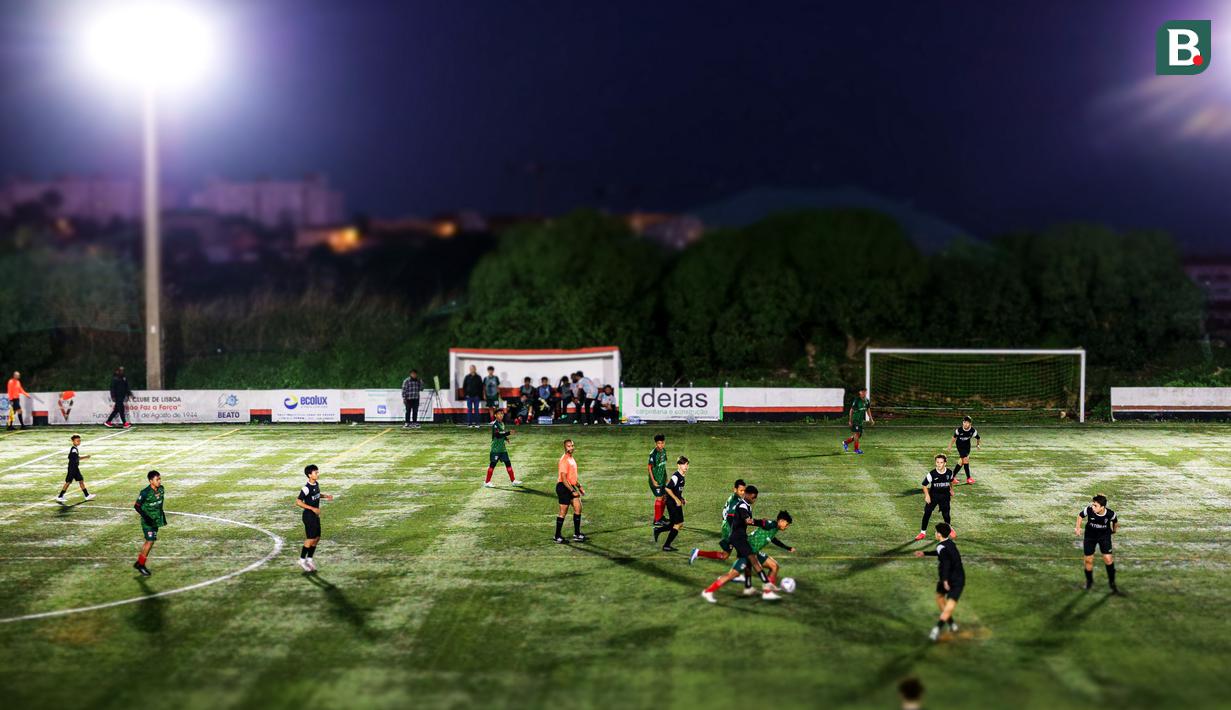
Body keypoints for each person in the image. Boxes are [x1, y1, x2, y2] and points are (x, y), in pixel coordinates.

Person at [701, 510, 794, 603]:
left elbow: (772, 539)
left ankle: (767, 592)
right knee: (732, 574)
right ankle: (708, 591)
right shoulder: (771, 524)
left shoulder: (774, 528)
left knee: (774, 566)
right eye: (787, 523)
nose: (787, 526)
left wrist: (787, 547)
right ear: (781, 521)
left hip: (754, 552)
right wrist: (751, 521)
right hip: (747, 551)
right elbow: (762, 522)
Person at [723, 485, 780, 598]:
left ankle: (748, 587)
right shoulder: (743, 506)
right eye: (753, 497)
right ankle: (767, 584)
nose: (755, 499)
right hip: (738, 538)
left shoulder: (746, 505)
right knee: (753, 559)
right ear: (747, 495)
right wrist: (763, 523)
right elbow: (748, 521)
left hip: (740, 537)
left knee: (748, 563)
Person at [914, 522, 965, 641]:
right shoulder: (949, 544)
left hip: (954, 579)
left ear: (940, 534)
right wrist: (925, 553)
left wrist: (945, 581)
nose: (935, 533)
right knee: (940, 598)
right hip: (957, 576)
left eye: (936, 532)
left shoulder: (941, 547)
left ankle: (937, 629)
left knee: (949, 605)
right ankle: (952, 624)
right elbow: (940, 553)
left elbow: (946, 564)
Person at [690, 479, 746, 563]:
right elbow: (730, 517)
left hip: (727, 527)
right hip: (729, 529)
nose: (742, 492)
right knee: (744, 551)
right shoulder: (735, 501)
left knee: (725, 555)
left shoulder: (734, 498)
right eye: (741, 490)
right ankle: (739, 573)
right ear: (735, 490)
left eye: (744, 490)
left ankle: (697, 552)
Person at [1075, 494, 1119, 593]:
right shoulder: (1089, 510)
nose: (1093, 507)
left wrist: (1114, 530)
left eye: (1095, 505)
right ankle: (1089, 582)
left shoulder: (1110, 514)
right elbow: (1080, 515)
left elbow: (1115, 521)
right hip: (1090, 536)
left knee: (1108, 559)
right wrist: (1078, 527)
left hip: (1104, 537)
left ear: (1102, 507)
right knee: (1088, 560)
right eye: (1093, 504)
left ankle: (1112, 584)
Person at [295, 464, 334, 572]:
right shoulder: (306, 488)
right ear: (309, 475)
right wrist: (312, 508)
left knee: (317, 538)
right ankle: (302, 560)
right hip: (308, 516)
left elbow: (316, 494)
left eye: (317, 472)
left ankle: (309, 558)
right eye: (315, 472)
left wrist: (325, 496)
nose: (317, 474)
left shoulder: (316, 484)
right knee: (311, 538)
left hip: (315, 516)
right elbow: (298, 502)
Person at [915, 454, 958, 541]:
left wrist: (951, 489)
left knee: (946, 515)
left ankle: (949, 529)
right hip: (933, 496)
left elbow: (951, 480)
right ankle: (922, 532)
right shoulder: (932, 474)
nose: (939, 464)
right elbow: (924, 485)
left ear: (945, 463)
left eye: (941, 462)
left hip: (945, 496)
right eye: (937, 462)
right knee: (927, 513)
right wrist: (927, 496)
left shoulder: (949, 472)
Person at [132, 470, 166, 577]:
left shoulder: (161, 489)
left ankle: (139, 562)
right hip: (147, 521)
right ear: (151, 481)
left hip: (156, 520)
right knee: (150, 541)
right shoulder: (145, 492)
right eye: (157, 479)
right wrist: (146, 517)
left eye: (160, 478)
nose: (159, 481)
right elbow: (137, 506)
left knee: (149, 542)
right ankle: (141, 565)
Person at [554, 439, 586, 543]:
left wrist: (579, 486)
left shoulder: (571, 458)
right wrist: (572, 491)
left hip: (570, 486)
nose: (571, 448)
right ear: (565, 447)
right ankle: (557, 536)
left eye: (572, 446)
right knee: (563, 512)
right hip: (563, 487)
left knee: (578, 508)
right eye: (568, 446)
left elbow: (572, 477)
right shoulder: (564, 460)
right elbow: (563, 478)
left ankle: (577, 534)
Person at [655, 456, 689, 550]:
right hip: (672, 503)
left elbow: (676, 491)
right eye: (683, 464)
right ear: (678, 465)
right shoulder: (676, 476)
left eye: (686, 464)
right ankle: (666, 546)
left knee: (676, 524)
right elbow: (667, 488)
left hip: (676, 502)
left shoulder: (682, 476)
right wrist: (676, 499)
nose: (686, 466)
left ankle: (658, 529)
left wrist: (681, 499)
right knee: (677, 524)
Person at [483, 408, 522, 488]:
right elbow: (497, 435)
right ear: (495, 415)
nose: (501, 415)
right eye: (499, 414)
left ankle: (513, 481)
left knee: (508, 463)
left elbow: (502, 434)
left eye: (502, 414)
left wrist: (506, 439)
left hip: (503, 449)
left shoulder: (502, 424)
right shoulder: (495, 425)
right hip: (495, 449)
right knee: (492, 465)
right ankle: (487, 482)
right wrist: (508, 433)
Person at [56, 434, 95, 503]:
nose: (79, 442)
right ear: (73, 441)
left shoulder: (75, 449)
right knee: (68, 482)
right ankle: (60, 496)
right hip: (72, 468)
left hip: (75, 468)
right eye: (77, 441)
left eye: (79, 441)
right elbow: (76, 458)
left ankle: (87, 495)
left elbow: (74, 458)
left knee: (81, 480)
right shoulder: (74, 450)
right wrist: (86, 457)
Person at [947, 416, 980, 484]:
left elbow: (978, 438)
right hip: (960, 445)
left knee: (961, 462)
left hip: (967, 446)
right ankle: (968, 478)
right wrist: (950, 446)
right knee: (965, 460)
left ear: (970, 423)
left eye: (967, 422)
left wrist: (978, 445)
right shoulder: (959, 430)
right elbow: (954, 438)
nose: (965, 424)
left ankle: (952, 477)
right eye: (964, 422)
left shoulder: (973, 431)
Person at [647, 434, 669, 529]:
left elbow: (663, 466)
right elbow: (649, 468)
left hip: (662, 479)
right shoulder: (653, 454)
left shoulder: (664, 451)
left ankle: (661, 517)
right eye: (658, 443)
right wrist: (654, 481)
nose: (660, 445)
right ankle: (657, 520)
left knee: (664, 497)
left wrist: (666, 477)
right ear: (656, 443)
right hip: (655, 480)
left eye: (662, 443)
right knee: (659, 498)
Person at [841, 387, 872, 454]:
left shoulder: (867, 401)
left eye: (865, 392)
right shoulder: (857, 400)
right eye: (862, 392)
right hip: (855, 420)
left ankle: (845, 442)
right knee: (856, 434)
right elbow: (851, 410)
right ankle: (856, 449)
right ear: (860, 392)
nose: (864, 393)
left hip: (860, 421)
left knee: (859, 435)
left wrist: (870, 418)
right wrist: (850, 420)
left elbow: (868, 409)